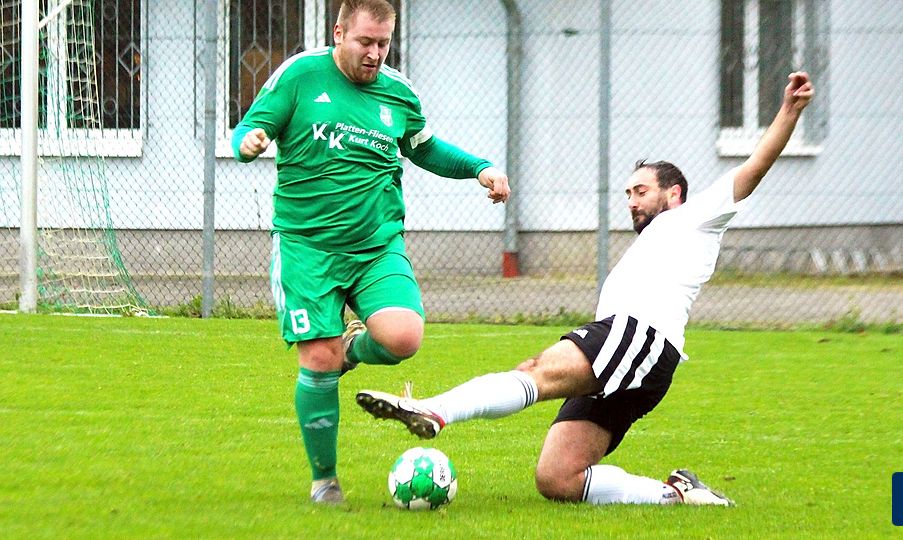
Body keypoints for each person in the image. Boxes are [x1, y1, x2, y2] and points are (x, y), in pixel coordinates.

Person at [356, 72, 815, 507]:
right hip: (636, 356)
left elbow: (753, 168)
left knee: (536, 370)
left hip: (640, 337)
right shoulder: (655, 241)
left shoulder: (694, 218)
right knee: (558, 478)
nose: (631, 201)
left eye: (641, 191)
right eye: (628, 194)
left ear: (674, 193)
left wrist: (789, 113)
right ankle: (677, 494)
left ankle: (434, 410)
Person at [231, 0, 510, 505]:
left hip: (376, 246)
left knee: (404, 337)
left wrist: (480, 168)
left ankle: (353, 350)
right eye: (365, 41)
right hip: (307, 246)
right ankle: (324, 480)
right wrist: (248, 142)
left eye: (383, 43)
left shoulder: (398, 92)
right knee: (318, 358)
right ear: (339, 32)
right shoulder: (299, 76)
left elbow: (424, 148)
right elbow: (250, 129)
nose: (375, 54)